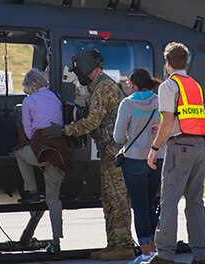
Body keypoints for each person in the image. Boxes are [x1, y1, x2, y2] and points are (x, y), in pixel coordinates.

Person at [43, 48, 135, 261]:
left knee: (117, 198)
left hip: (114, 153)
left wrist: (65, 130)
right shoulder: (99, 87)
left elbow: (93, 121)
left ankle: (124, 244)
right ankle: (113, 244)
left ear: (86, 70)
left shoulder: (103, 87)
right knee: (108, 199)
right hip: (108, 152)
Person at [145, 42, 205, 264]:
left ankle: (164, 255)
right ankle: (200, 255)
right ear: (186, 62)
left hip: (180, 147)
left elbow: (168, 119)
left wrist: (154, 148)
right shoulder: (194, 85)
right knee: (195, 202)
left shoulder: (168, 86)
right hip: (200, 146)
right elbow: (186, 117)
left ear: (167, 62)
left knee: (169, 201)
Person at [12, 68, 69, 254]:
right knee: (54, 199)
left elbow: (29, 132)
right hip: (60, 153)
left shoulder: (29, 101)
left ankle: (32, 191)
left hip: (41, 151)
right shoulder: (54, 97)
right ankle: (56, 241)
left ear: (30, 85)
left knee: (19, 154)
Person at [113, 68, 164, 264]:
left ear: (133, 85)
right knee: (151, 204)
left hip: (134, 160)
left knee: (140, 207)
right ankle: (155, 248)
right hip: (157, 158)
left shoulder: (127, 104)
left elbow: (118, 137)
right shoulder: (160, 101)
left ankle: (145, 253)